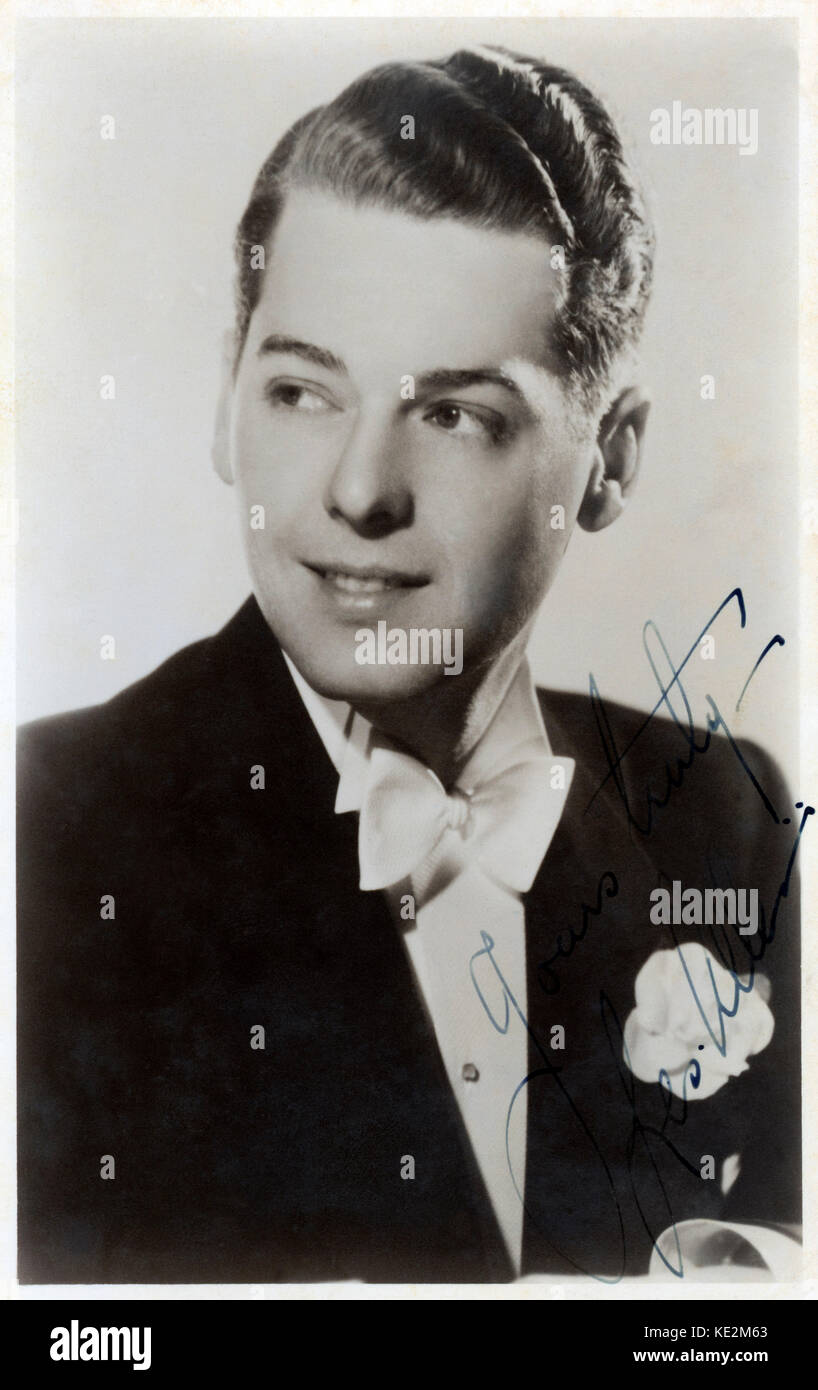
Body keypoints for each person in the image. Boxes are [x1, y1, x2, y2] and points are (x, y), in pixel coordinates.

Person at [17, 45, 800, 1285]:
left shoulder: (725, 826)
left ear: (608, 461)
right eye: (300, 392)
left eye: (452, 414)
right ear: (229, 396)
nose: (357, 491)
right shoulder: (46, 839)